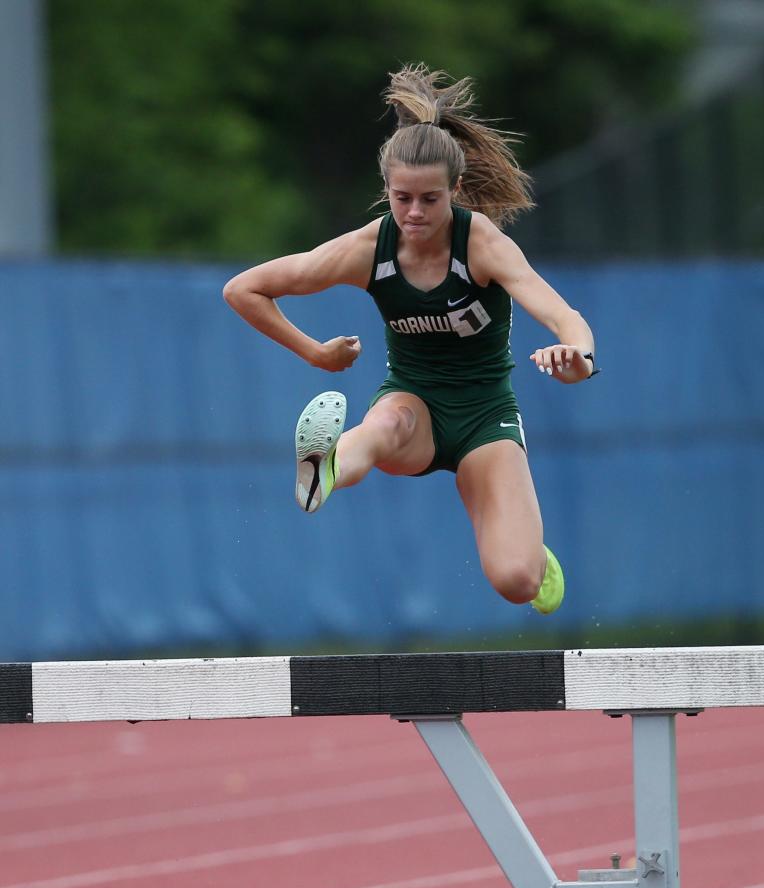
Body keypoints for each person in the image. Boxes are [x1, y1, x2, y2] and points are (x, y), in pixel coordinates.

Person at [223, 64, 598, 615]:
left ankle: (528, 550)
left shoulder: (482, 245)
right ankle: (322, 467)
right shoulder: (367, 249)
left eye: (430, 199)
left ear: (457, 191)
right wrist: (316, 354)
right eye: (402, 199)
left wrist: (578, 361)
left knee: (516, 581)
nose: (415, 213)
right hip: (413, 404)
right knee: (385, 424)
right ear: (386, 191)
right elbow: (244, 290)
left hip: (485, 416)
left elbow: (566, 318)